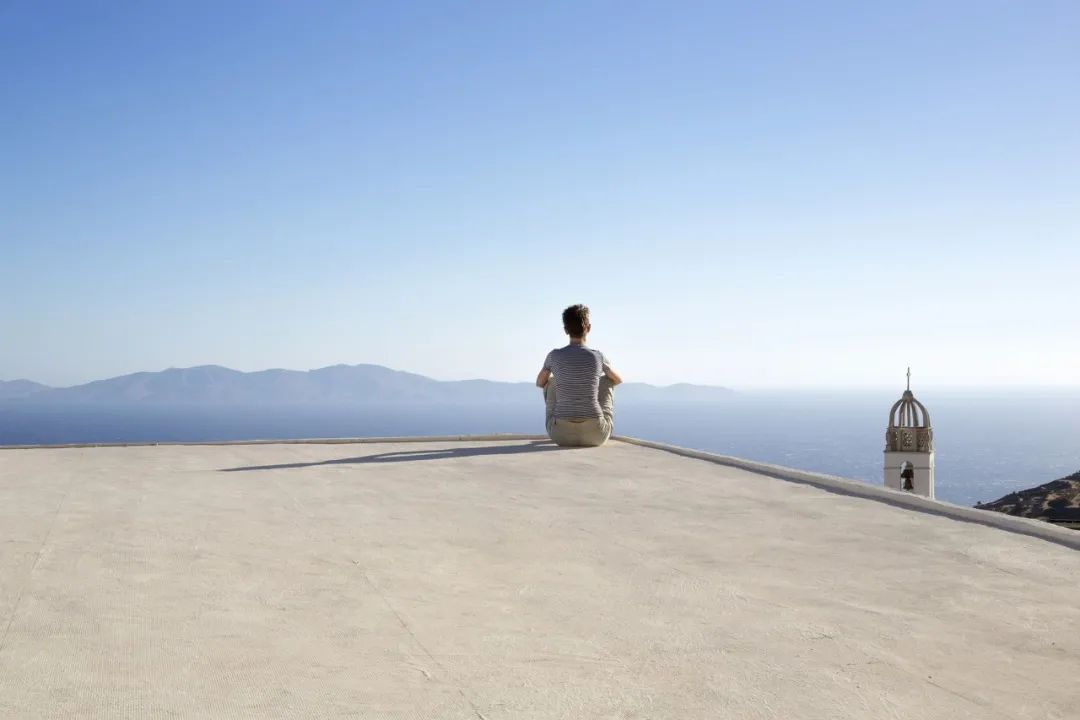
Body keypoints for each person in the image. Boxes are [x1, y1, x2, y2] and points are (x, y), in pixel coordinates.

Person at [535, 304, 623, 447]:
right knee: (607, 380)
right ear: (588, 328)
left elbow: (540, 383)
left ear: (565, 330)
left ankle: (560, 418)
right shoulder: (598, 356)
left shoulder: (554, 356)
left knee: (550, 381)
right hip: (596, 435)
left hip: (560, 435)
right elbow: (618, 380)